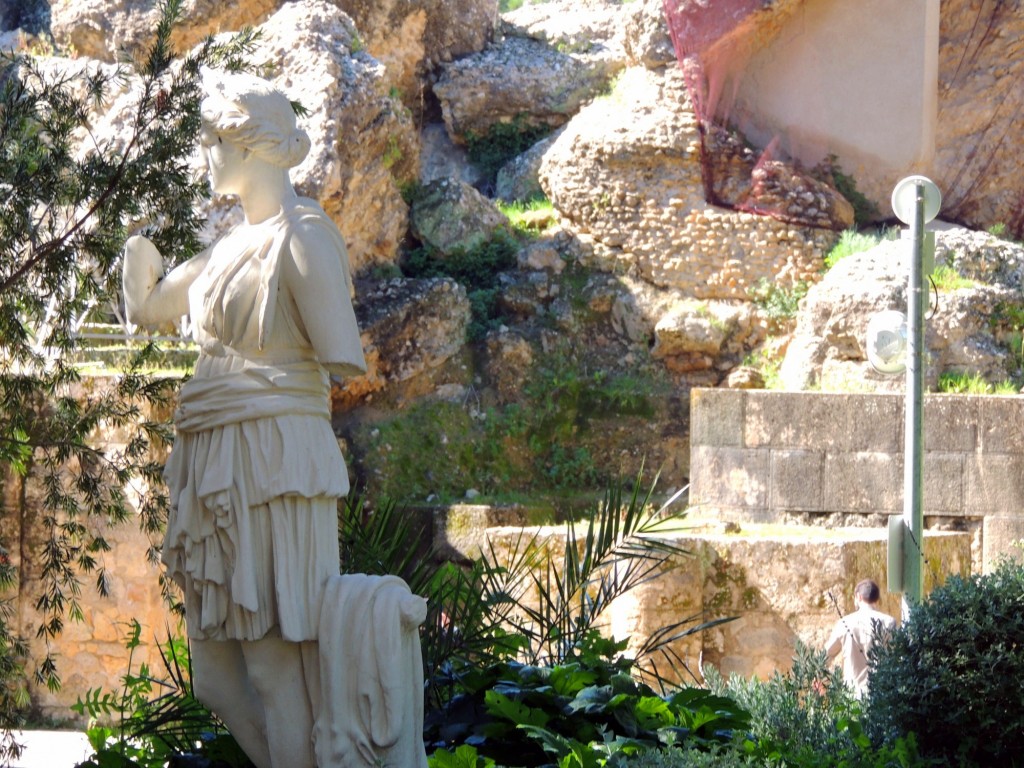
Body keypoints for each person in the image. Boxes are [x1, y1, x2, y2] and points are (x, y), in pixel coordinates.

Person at [123, 68, 370, 768]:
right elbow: (147, 309)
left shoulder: (303, 237)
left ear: (250, 145)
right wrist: (134, 257)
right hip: (216, 457)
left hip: (271, 459)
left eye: (211, 141)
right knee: (217, 680)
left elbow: (335, 359)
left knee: (273, 669)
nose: (205, 155)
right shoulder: (227, 249)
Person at [824, 578, 896, 697]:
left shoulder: (845, 623)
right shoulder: (889, 622)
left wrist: (820, 679)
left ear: (858, 597)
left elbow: (826, 655)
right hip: (881, 696)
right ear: (876, 599)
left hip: (852, 697)